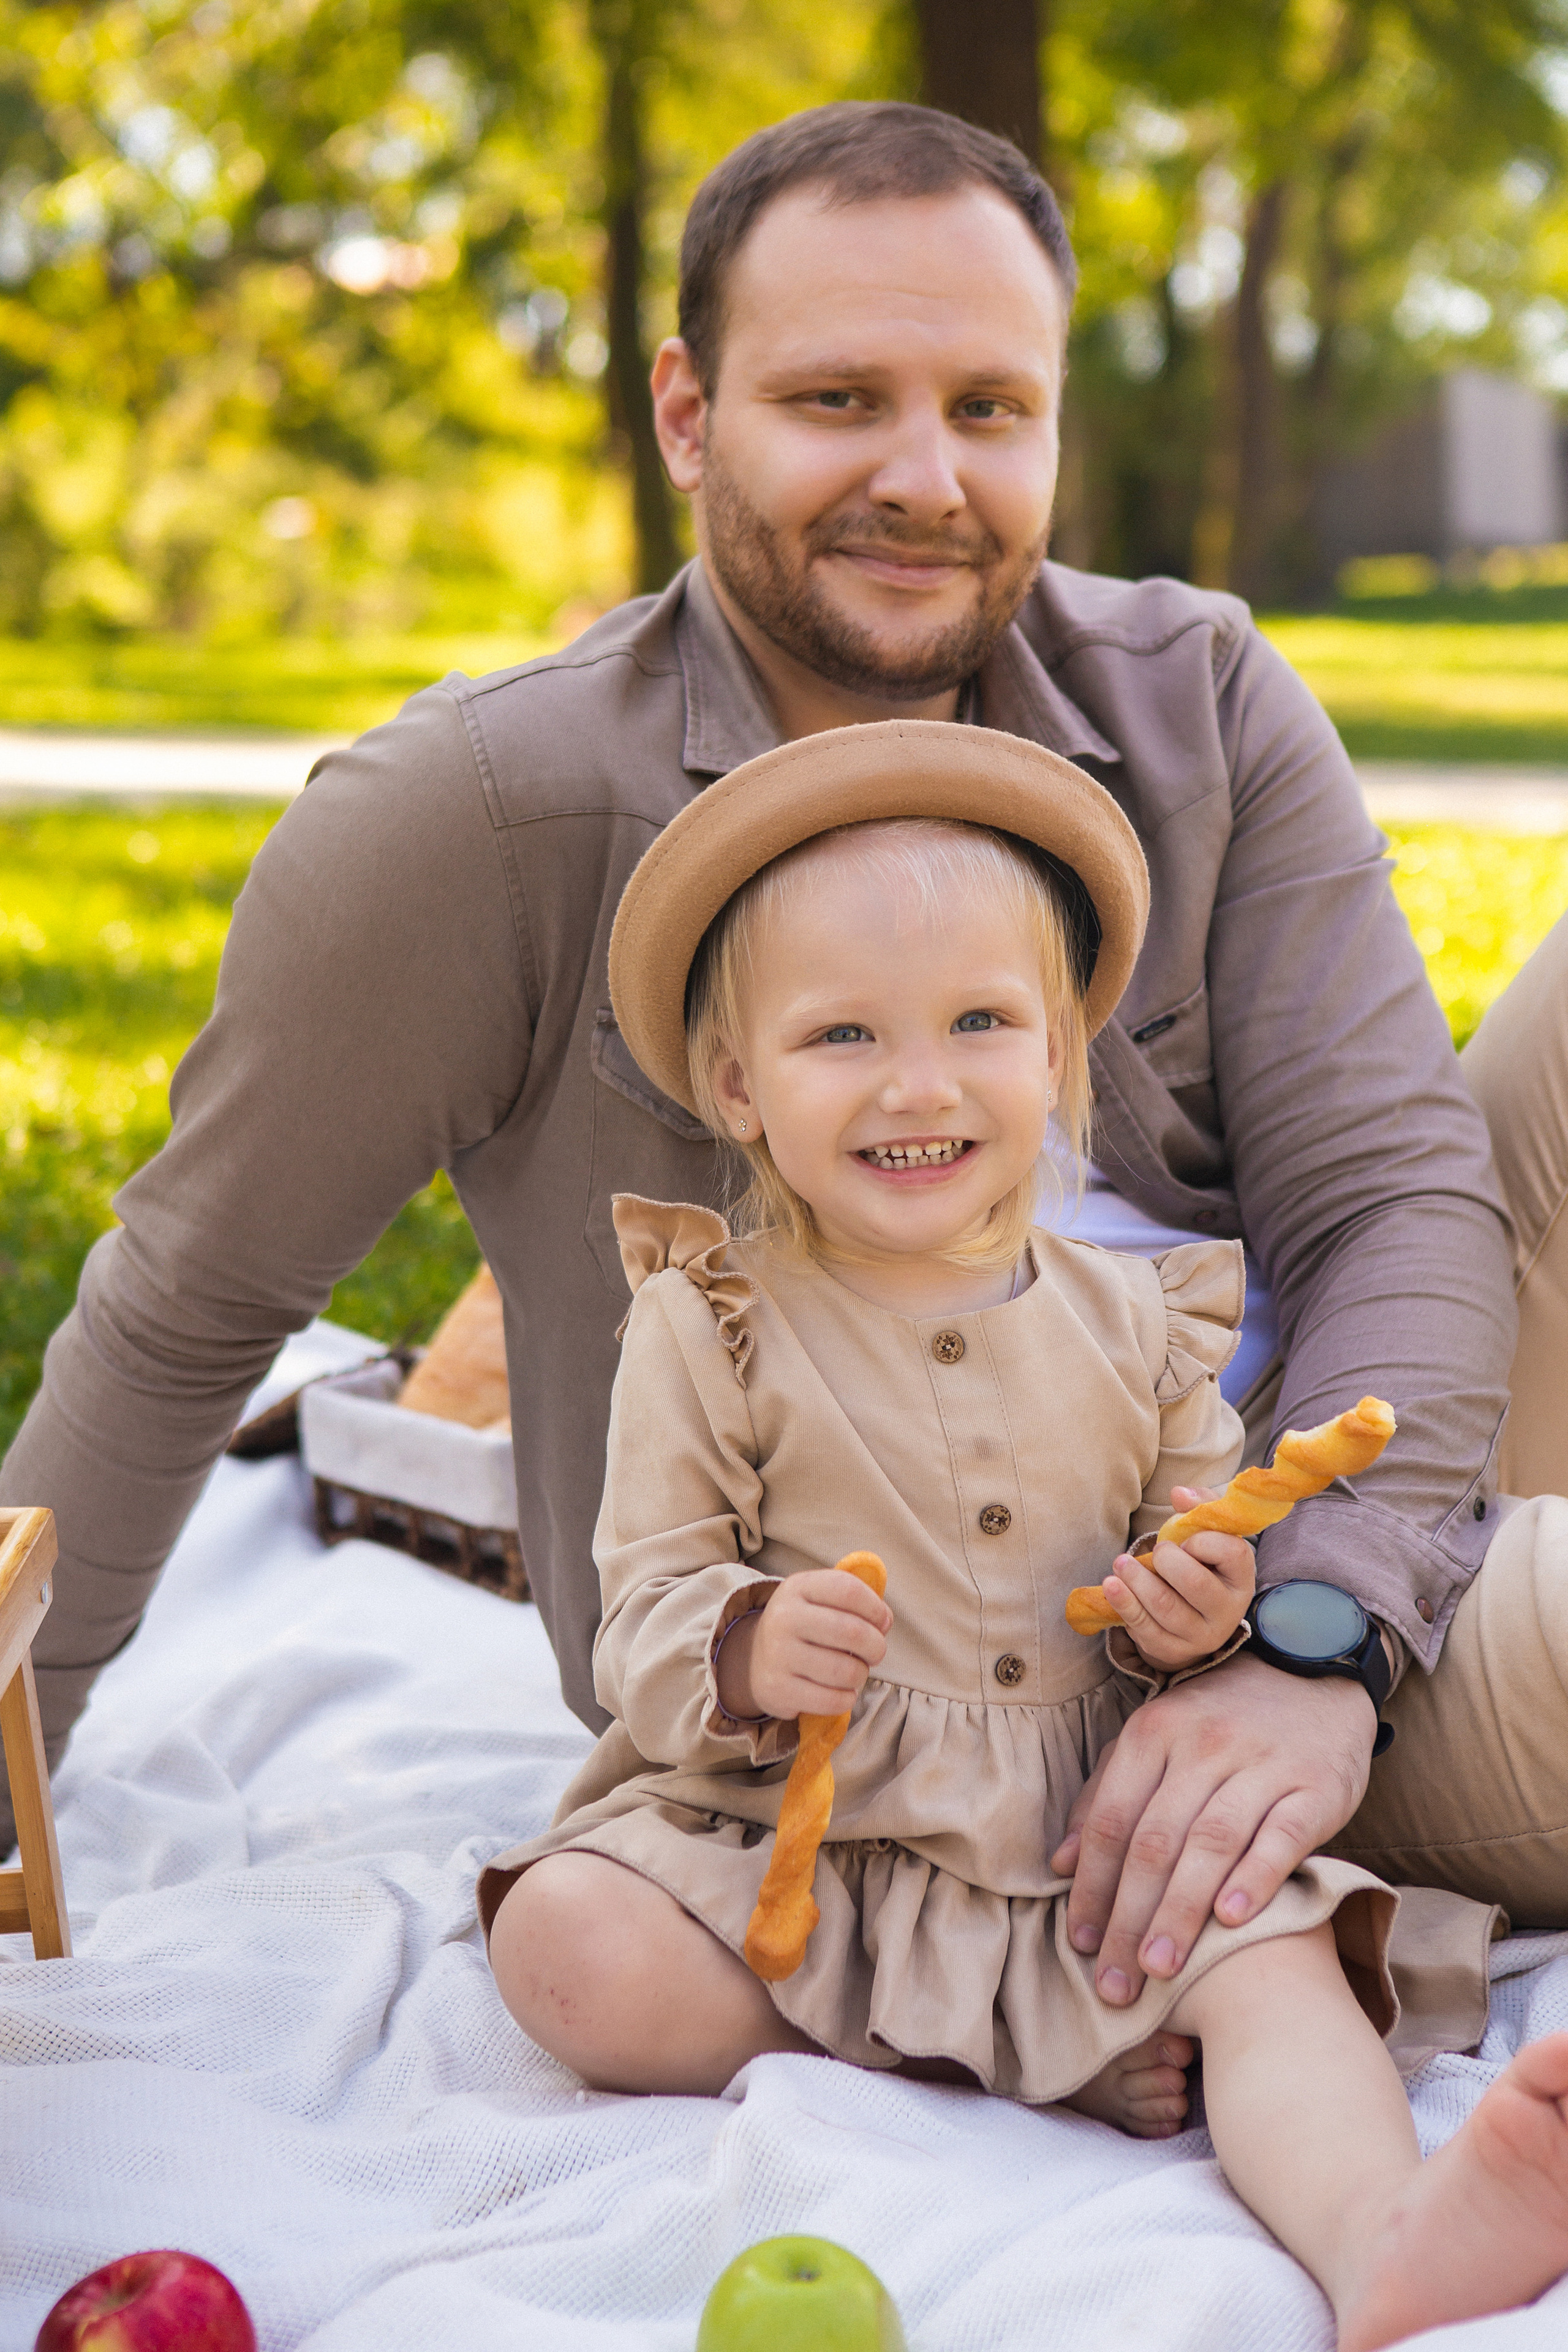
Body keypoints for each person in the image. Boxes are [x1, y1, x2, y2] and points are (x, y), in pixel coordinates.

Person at [1, 100, 1565, 2007]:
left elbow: (1394, 1201)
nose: (927, 478)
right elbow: (188, 1310)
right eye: (839, 400)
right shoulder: (478, 817)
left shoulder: (1202, 700)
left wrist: (1318, 1636)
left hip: (1314, 1567)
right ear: (686, 413)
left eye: (989, 409)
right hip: (1019, 1711)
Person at [484, 724, 1568, 2352]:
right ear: (738, 1088)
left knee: (1268, 1969)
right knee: (565, 1944)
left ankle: (1386, 2235)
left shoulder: (1142, 1319)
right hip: (813, 1845)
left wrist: (1195, 1612)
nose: (920, 1084)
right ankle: (964, 2049)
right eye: (842, 1034)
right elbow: (641, 1603)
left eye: (979, 1023)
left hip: (1088, 1838)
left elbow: (1194, 1559)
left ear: (1059, 1056)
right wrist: (751, 1645)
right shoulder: (709, 1327)